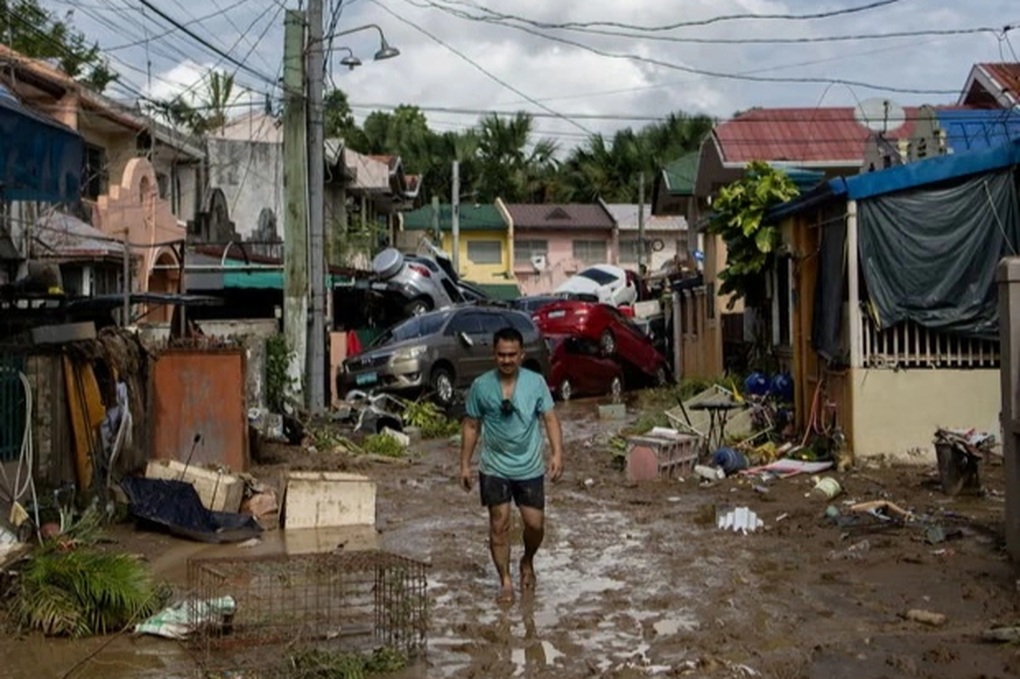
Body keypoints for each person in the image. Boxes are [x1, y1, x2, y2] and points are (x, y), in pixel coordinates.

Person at [460, 326, 564, 604]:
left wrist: (556, 454)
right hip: (494, 467)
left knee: (534, 525)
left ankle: (527, 560)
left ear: (521, 355)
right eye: (501, 355)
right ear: (494, 355)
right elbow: (471, 425)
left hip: (529, 467)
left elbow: (550, 419)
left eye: (512, 355)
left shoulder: (535, 383)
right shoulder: (482, 386)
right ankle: (505, 581)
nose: (506, 360)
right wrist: (465, 464)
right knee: (499, 523)